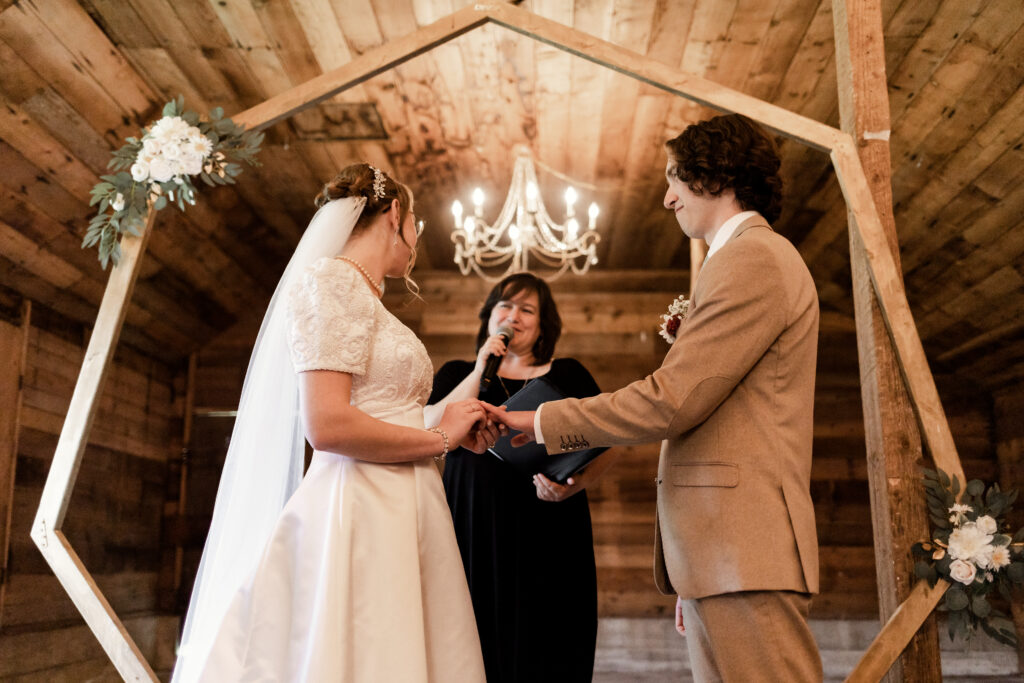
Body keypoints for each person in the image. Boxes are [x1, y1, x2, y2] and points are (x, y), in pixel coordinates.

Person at [486, 114, 823, 682]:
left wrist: (541, 421)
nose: (668, 199)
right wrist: (694, 571)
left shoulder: (753, 258)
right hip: (720, 555)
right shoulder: (736, 260)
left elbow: (672, 400)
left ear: (714, 177)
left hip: (745, 551)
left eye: (676, 179)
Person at [172, 163, 493, 682]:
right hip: (360, 505)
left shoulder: (364, 296)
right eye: (417, 229)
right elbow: (327, 425)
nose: (414, 244)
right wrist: (437, 437)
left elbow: (383, 411)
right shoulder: (332, 282)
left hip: (406, 498)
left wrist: (452, 426)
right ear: (395, 215)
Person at [424, 272, 617, 683]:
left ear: (544, 324)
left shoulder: (568, 375)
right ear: (489, 316)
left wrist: (577, 485)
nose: (514, 316)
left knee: (548, 637)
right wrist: (480, 366)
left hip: (550, 525)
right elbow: (429, 429)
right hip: (474, 524)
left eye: (527, 309)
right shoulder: (459, 372)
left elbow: (607, 443)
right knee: (474, 632)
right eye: (505, 306)